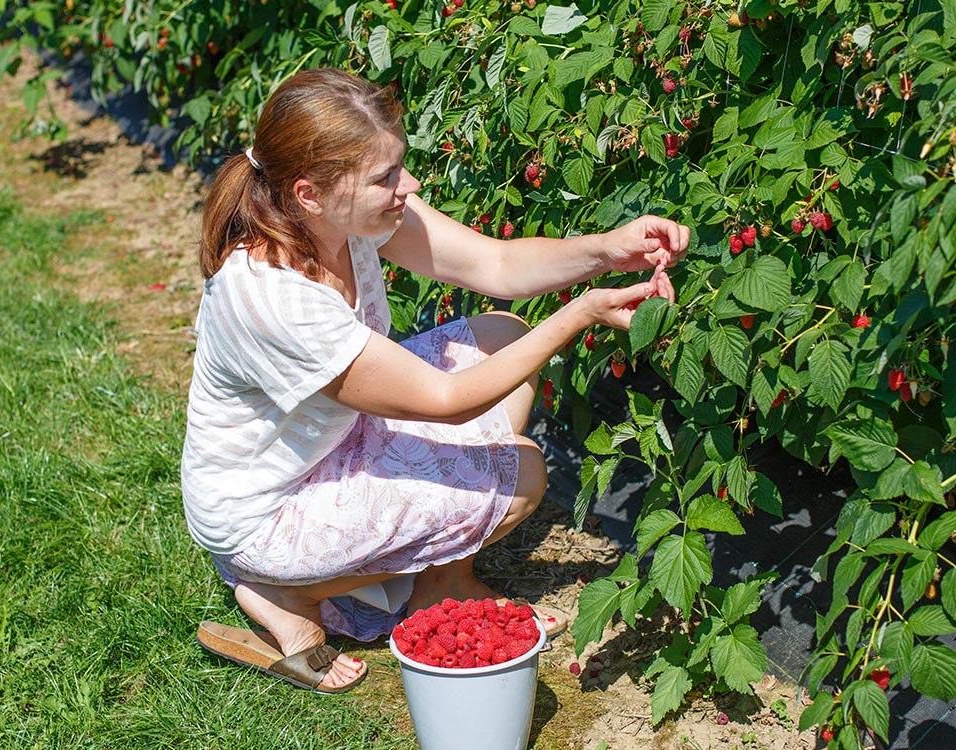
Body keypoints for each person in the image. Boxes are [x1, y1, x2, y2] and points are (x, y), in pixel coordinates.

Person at [182, 68, 689, 694]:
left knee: (502, 335)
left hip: (331, 445)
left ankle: (440, 581)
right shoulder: (274, 295)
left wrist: (606, 248)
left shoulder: (343, 217)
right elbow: (445, 403)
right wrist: (581, 312)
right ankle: (282, 587)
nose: (409, 186)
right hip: (267, 511)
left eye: (400, 166)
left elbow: (495, 265)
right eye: (386, 177)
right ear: (310, 193)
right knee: (523, 473)